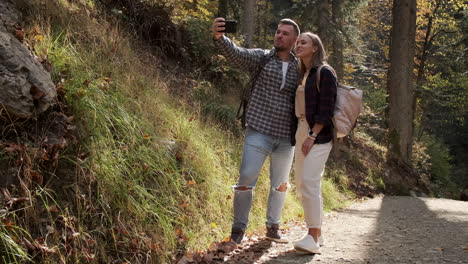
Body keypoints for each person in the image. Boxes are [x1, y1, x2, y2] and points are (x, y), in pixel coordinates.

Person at [211, 17, 300, 244]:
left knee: (280, 185)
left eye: (285, 33)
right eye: (278, 31)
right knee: (246, 179)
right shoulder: (261, 57)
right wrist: (220, 38)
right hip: (259, 130)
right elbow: (237, 55)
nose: (279, 35)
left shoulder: (301, 67)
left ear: (295, 40)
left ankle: (272, 226)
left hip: (287, 136)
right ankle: (238, 229)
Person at [291, 32, 337, 254]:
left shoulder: (324, 72)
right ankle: (318, 233)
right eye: (297, 42)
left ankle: (312, 237)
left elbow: (326, 108)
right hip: (302, 130)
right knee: (303, 184)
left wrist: (312, 136)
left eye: (303, 42)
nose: (298, 45)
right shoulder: (304, 73)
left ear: (315, 48)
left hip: (317, 135)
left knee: (309, 181)